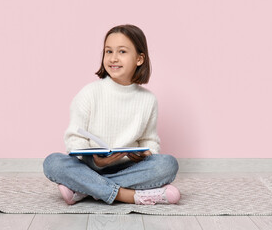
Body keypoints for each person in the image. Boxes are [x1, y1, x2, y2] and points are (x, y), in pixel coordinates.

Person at [43, 24, 180, 205]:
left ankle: (84, 189)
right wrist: (98, 162)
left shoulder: (148, 99)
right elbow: (74, 139)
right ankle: (128, 195)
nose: (113, 58)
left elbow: (150, 141)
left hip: (129, 168)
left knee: (168, 165)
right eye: (108, 52)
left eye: (122, 52)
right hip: (90, 167)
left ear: (139, 59)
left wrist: (146, 154)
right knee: (52, 162)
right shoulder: (89, 93)